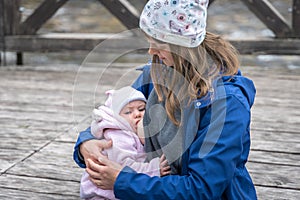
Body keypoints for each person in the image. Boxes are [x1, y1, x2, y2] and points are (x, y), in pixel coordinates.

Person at [73, 0, 258, 199]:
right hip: (151, 187)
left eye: (158, 44)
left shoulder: (228, 104)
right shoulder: (155, 73)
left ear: (183, 46)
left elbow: (202, 189)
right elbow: (113, 115)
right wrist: (86, 143)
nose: (151, 51)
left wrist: (122, 181)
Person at [80, 86, 171, 200]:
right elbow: (124, 167)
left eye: (141, 109)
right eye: (128, 111)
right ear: (116, 117)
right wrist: (154, 168)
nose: (137, 114)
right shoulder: (119, 137)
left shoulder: (129, 131)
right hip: (101, 193)